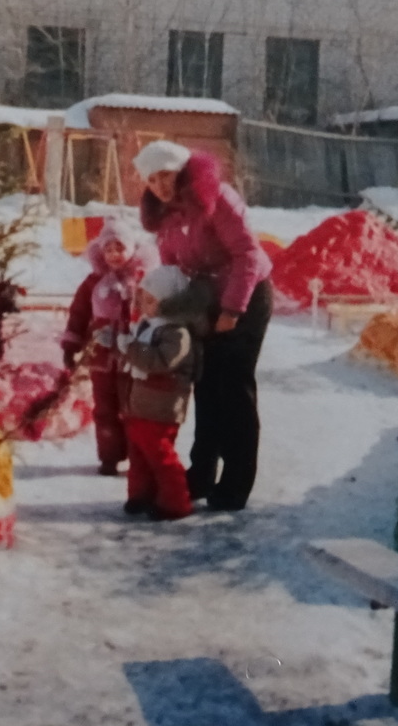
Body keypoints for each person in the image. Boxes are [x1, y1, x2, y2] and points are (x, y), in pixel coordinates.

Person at [135, 140, 273, 511]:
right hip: (202, 300)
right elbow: (173, 268)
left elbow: (247, 254)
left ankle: (236, 482)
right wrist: (161, 303)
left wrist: (231, 311)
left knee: (234, 389)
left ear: (182, 170)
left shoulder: (219, 198)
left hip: (245, 296)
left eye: (166, 175)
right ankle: (201, 473)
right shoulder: (165, 213)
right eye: (152, 180)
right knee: (205, 385)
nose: (161, 186)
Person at [61, 217, 156, 475]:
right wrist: (71, 344)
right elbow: (79, 313)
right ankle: (109, 456)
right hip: (101, 356)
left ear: (132, 249)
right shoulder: (94, 282)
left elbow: (156, 314)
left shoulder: (141, 280)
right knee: (104, 408)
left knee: (133, 408)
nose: (114, 255)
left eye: (120, 248)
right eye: (108, 249)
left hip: (132, 355)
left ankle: (137, 456)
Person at [119, 264, 208, 521]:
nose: (144, 306)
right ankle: (141, 494)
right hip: (141, 403)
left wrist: (130, 347)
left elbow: (156, 361)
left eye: (151, 300)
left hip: (162, 405)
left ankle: (175, 501)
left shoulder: (177, 333)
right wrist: (116, 345)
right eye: (142, 299)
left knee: (160, 455)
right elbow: (134, 357)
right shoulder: (149, 326)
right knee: (139, 453)